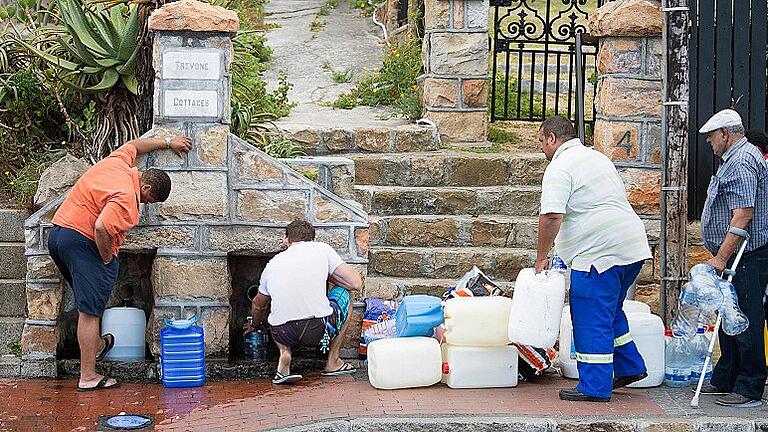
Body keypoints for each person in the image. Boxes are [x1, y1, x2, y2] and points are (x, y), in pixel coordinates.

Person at [48, 135, 191, 391]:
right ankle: (88, 377)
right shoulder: (127, 197)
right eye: (149, 201)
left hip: (58, 235)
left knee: (88, 302)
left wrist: (168, 141)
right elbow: (101, 227)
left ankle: (100, 346)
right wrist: (105, 257)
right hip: (83, 242)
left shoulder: (118, 163)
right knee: (90, 311)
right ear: (146, 189)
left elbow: (135, 146)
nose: (146, 204)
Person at [533, 116, 652, 402]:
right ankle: (630, 366)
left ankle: (595, 387)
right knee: (609, 312)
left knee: (590, 316)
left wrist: (540, 257)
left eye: (540, 141)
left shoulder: (559, 167)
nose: (540, 148)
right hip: (632, 247)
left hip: (599, 253)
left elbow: (551, 216)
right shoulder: (597, 158)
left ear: (552, 138)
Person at [697, 109, 768, 407]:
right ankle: (726, 377)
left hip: (746, 255)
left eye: (712, 137)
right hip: (738, 254)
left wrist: (722, 257)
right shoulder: (736, 158)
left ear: (726, 134)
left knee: (746, 318)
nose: (710, 143)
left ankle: (750, 386)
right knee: (729, 315)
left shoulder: (740, 161)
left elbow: (743, 215)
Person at [244, 219, 363, 385]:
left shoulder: (272, 264)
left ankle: (284, 352)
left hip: (283, 333)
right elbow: (356, 283)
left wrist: (255, 325)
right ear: (313, 240)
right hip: (317, 329)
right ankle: (333, 362)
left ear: (286, 239)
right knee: (346, 293)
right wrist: (327, 274)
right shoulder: (321, 249)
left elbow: (259, 304)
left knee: (275, 310)